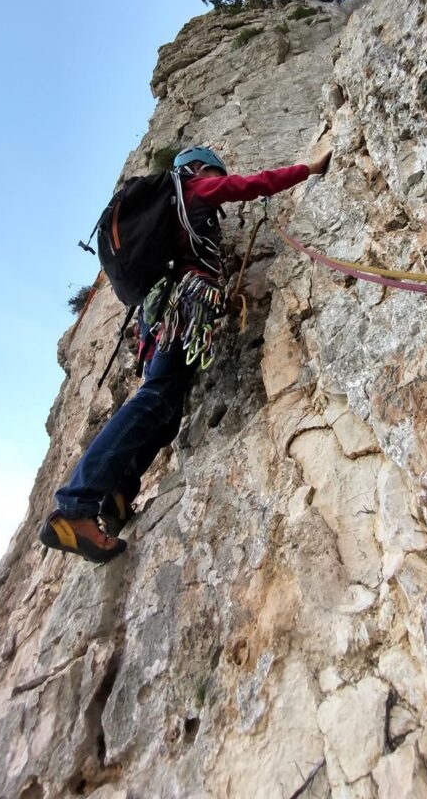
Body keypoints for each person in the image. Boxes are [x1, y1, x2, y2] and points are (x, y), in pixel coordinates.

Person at [39, 145, 332, 563]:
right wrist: (307, 169)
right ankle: (75, 505)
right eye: (213, 171)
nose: (214, 177)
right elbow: (248, 186)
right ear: (200, 168)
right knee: (157, 397)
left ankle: (118, 494)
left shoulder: (168, 211)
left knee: (166, 408)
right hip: (186, 304)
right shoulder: (193, 187)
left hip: (162, 317)